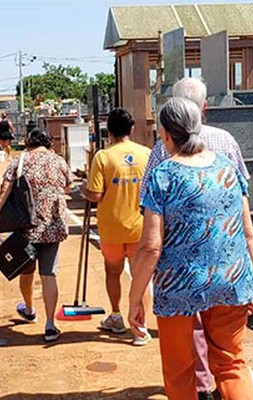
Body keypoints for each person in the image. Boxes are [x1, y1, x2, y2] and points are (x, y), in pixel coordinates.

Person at [129, 97, 253, 400]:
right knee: (231, 363)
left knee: (179, 369)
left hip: (179, 286)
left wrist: (136, 298)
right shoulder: (227, 168)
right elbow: (248, 232)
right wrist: (250, 283)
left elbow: (150, 247)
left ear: (165, 133)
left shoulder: (163, 175)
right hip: (232, 279)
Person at [0, 129, 71, 342]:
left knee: (26, 270)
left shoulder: (20, 160)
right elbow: (68, 187)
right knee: (49, 273)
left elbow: (4, 189)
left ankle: (30, 309)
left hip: (26, 225)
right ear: (49, 142)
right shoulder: (59, 161)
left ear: (28, 142)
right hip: (54, 225)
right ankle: (51, 324)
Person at [82, 108, 152, 346]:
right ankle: (140, 329)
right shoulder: (147, 154)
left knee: (113, 272)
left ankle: (116, 315)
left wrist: (82, 189)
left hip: (112, 227)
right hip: (140, 227)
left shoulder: (102, 157)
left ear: (109, 131)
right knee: (139, 277)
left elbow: (94, 194)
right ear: (131, 129)